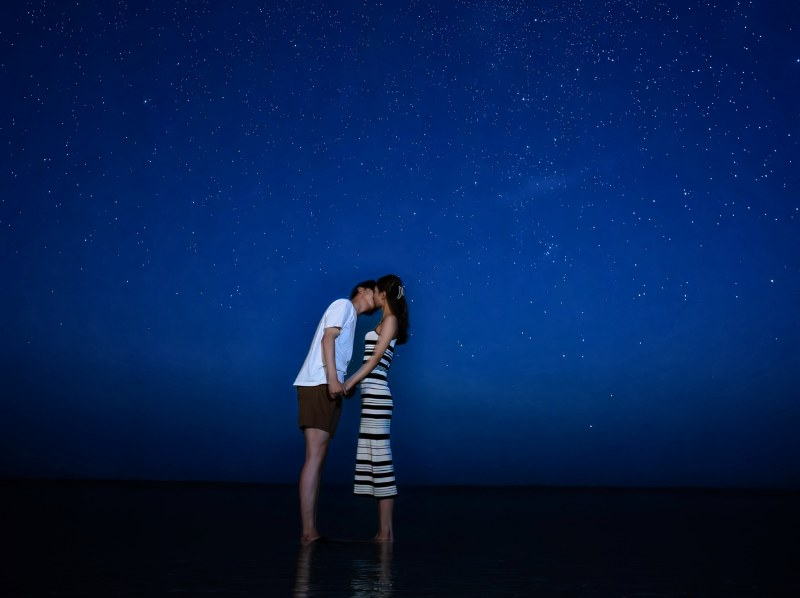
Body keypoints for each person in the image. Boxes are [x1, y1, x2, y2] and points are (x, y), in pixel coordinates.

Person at [294, 280, 377, 544]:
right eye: (377, 291)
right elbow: (328, 338)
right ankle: (308, 532)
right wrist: (332, 379)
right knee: (315, 457)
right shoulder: (344, 305)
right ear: (363, 290)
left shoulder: (350, 315)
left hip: (326, 384)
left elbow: (334, 347)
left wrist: (340, 382)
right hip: (319, 383)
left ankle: (311, 530)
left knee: (318, 459)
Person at [344, 274, 410, 542]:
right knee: (375, 461)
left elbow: (373, 360)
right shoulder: (385, 320)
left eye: (377, 290)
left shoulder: (391, 320)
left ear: (383, 293)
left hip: (378, 397)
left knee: (382, 461)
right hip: (370, 397)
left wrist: (350, 381)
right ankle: (384, 531)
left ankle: (386, 531)